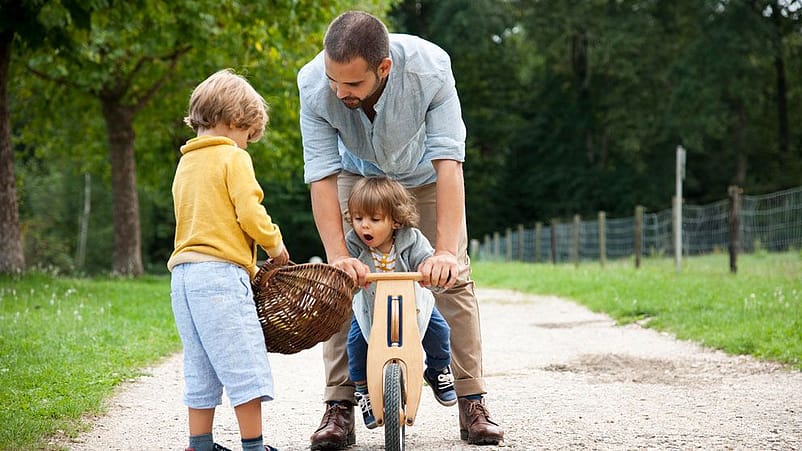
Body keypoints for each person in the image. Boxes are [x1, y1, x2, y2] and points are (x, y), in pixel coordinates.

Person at [297, 10, 504, 449]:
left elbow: (449, 162)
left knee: (455, 280)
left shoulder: (430, 69)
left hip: (424, 175)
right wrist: (338, 256)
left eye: (352, 84)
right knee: (341, 281)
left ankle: (472, 402)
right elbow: (321, 174)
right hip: (358, 176)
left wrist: (445, 253)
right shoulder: (315, 84)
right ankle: (340, 407)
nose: (340, 91)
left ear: (384, 67)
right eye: (335, 80)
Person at [167, 69, 289, 451]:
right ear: (237, 121)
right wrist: (275, 247)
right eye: (247, 136)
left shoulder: (186, 163)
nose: (246, 145)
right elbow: (250, 214)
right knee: (243, 360)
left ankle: (199, 444)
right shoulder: (232, 158)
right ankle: (254, 446)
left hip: (183, 277)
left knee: (200, 364)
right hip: (219, 276)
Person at [344, 176, 457, 429]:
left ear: (395, 220)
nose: (365, 227)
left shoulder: (411, 239)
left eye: (374, 219)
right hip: (371, 309)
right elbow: (343, 273)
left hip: (411, 306)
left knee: (439, 331)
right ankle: (364, 390)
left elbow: (427, 260)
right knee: (355, 344)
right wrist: (349, 276)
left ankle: (438, 370)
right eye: (358, 218)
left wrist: (430, 268)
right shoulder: (352, 243)